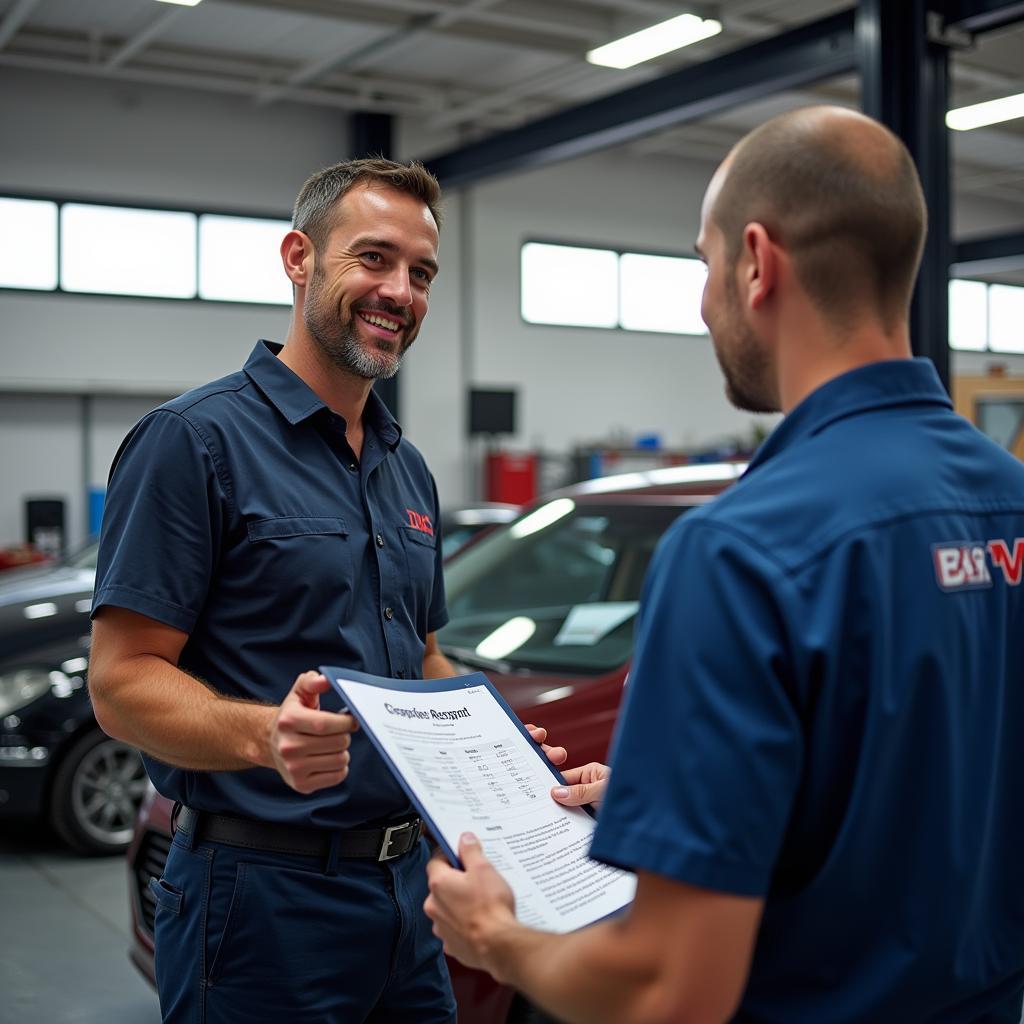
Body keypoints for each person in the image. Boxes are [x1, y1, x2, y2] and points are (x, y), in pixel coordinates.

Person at [424, 106, 1024, 1024]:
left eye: (702, 265)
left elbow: (672, 992)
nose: (704, 301)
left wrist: (496, 936)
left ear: (756, 262)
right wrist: (677, 806)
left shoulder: (738, 549)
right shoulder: (1008, 499)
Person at [89, 158, 467, 1022]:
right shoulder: (194, 442)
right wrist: (266, 736)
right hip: (260, 901)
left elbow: (425, 655)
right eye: (373, 259)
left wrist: (506, 766)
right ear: (300, 258)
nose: (400, 292)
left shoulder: (406, 469)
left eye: (421, 273)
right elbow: (119, 682)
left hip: (408, 899)